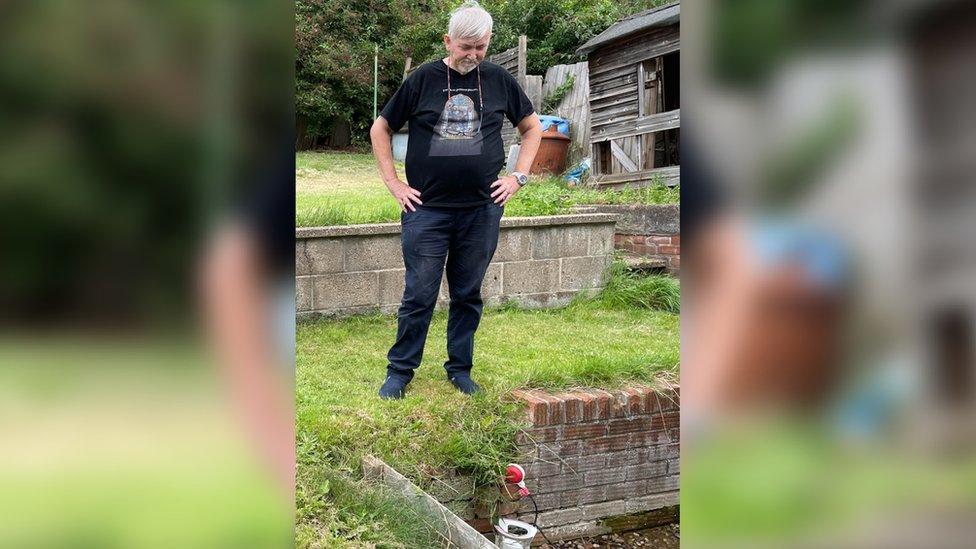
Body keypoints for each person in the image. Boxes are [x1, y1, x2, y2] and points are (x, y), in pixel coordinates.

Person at [369, 0, 542, 399]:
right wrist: (394, 184)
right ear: (448, 41)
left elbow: (531, 128)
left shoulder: (499, 79)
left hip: (481, 210)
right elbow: (381, 129)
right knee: (419, 294)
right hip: (426, 209)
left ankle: (460, 369)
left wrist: (519, 177)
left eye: (480, 47)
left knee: (467, 294)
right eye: (465, 46)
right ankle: (400, 373)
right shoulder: (422, 79)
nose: (473, 55)